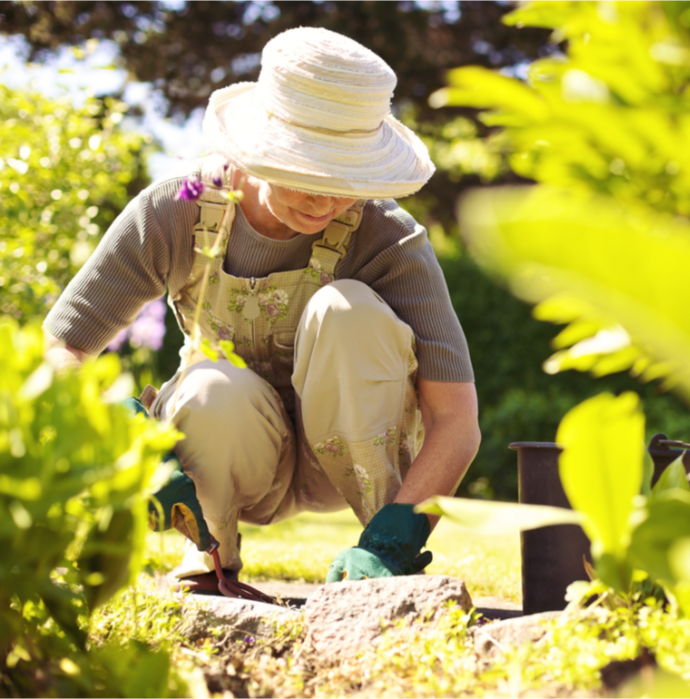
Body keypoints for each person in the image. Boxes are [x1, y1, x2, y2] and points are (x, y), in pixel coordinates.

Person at [42, 27, 480, 590]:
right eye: (307, 172)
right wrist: (117, 432)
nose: (326, 200)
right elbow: (63, 348)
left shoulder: (385, 236)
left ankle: (375, 565)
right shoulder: (179, 208)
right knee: (210, 388)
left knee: (348, 310)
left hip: (347, 460)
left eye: (345, 177)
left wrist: (402, 530)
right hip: (223, 455)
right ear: (258, 149)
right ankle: (211, 553)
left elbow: (456, 420)